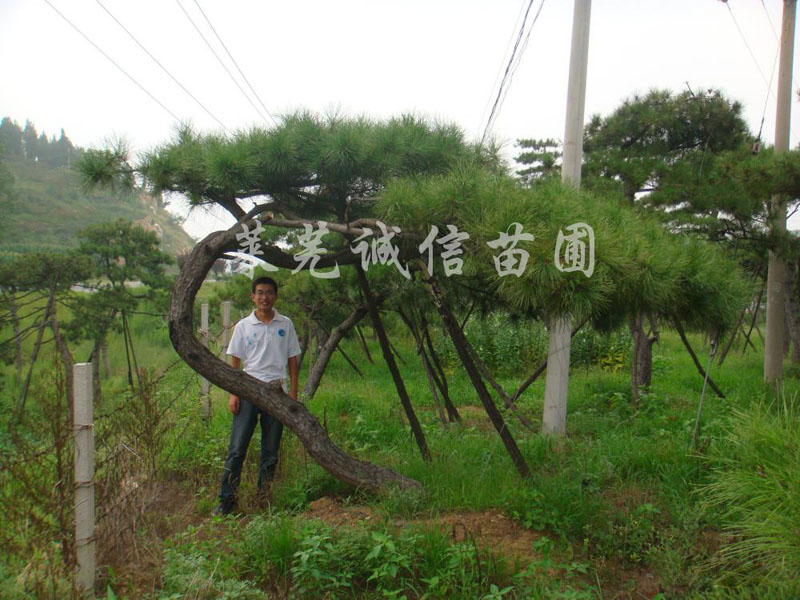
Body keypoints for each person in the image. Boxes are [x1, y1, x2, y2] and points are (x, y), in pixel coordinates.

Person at [213, 276, 301, 515]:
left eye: (270, 292)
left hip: (277, 393)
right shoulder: (243, 326)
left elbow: (293, 359)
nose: (265, 297)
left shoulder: (286, 324)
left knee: (270, 451)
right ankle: (226, 501)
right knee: (237, 449)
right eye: (260, 292)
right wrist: (234, 393)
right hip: (249, 391)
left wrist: (292, 393)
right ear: (253, 296)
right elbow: (235, 361)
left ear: (276, 296)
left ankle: (264, 499)